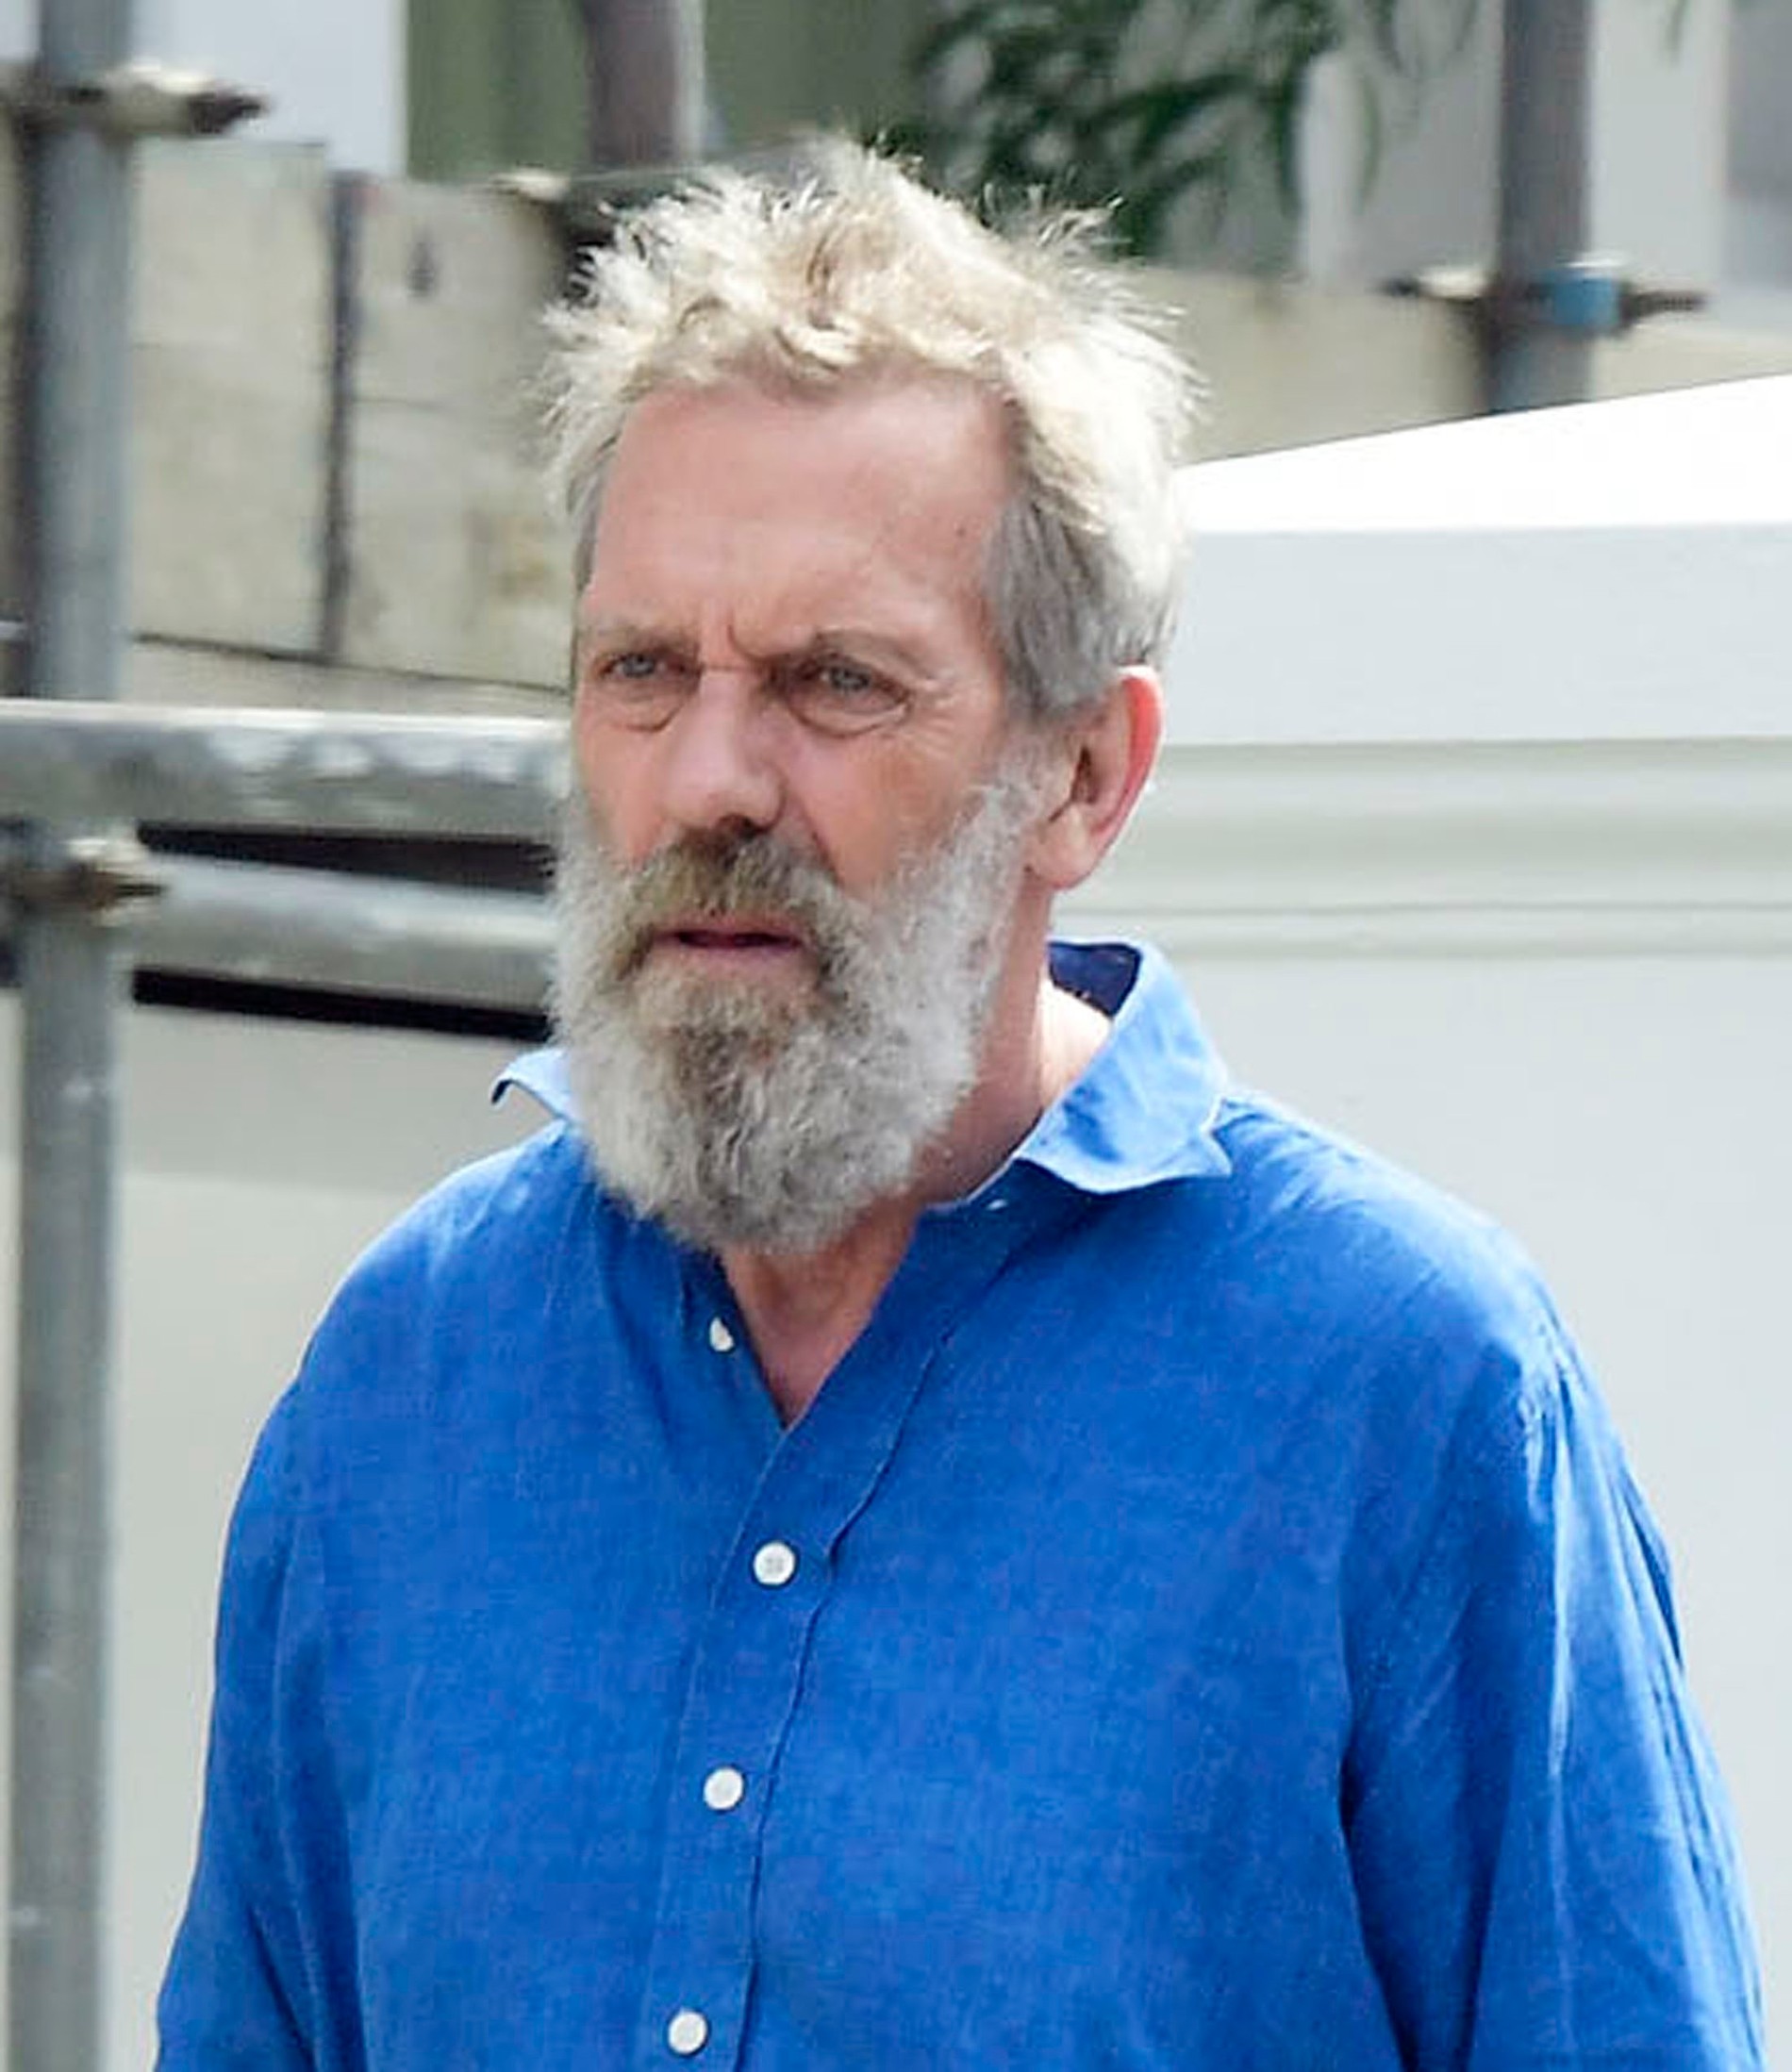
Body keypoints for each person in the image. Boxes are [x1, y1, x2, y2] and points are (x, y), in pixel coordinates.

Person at [158, 143, 1763, 2071]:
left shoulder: (1402, 1393)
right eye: (641, 671)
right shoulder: (409, 1378)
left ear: (1084, 775)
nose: (710, 779)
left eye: (834, 682)